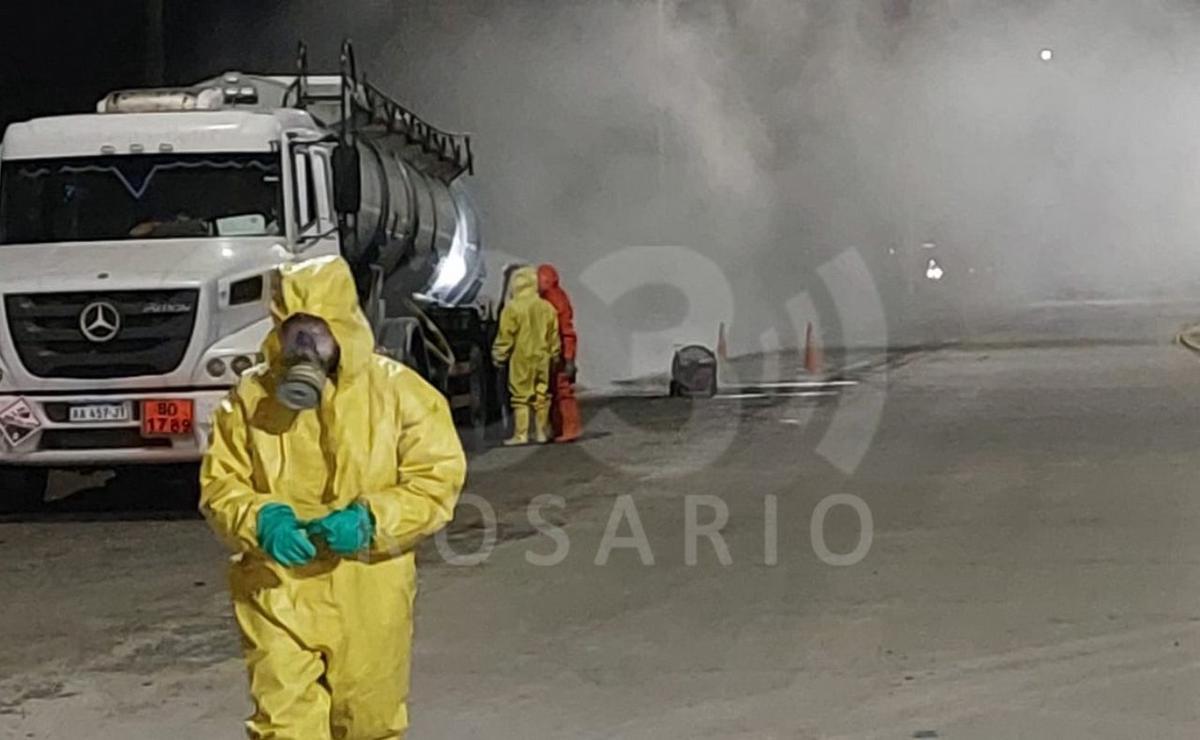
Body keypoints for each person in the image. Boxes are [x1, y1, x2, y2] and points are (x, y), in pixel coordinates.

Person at [200, 255, 466, 740]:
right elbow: (222, 483)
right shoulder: (250, 399)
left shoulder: (400, 394)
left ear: (342, 325)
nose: (304, 346)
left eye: (317, 331)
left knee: (368, 723)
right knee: (283, 726)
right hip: (276, 588)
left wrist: (372, 521)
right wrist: (261, 521)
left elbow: (436, 479)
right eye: (293, 330)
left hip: (368, 589)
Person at [492, 265, 560, 445]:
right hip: (542, 356)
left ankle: (521, 434)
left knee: (520, 396)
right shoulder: (547, 307)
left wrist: (499, 355)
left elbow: (506, 335)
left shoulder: (512, 308)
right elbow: (554, 334)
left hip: (521, 357)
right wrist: (555, 354)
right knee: (542, 395)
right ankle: (541, 433)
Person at [537, 263, 582, 442]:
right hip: (552, 352)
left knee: (561, 391)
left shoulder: (554, 300)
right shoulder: (553, 297)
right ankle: (559, 429)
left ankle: (569, 429)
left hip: (558, 353)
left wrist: (569, 359)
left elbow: (566, 331)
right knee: (553, 392)